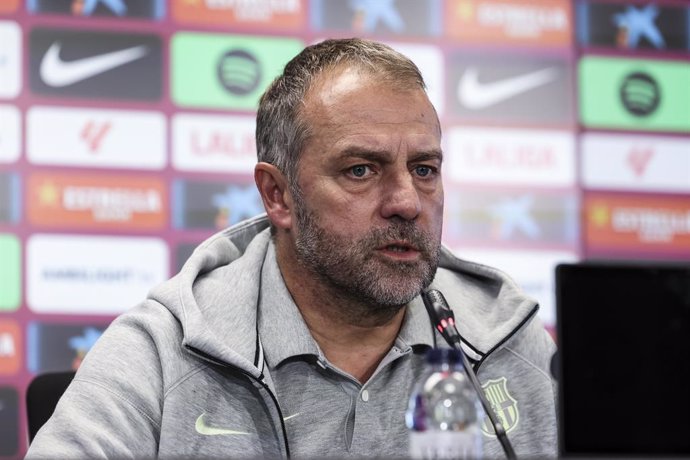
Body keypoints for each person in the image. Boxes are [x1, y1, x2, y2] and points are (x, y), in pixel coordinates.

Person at [26, 38, 557, 459]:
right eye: (361, 170)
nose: (406, 202)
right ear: (278, 195)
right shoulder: (168, 349)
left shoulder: (501, 338)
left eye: (424, 170)